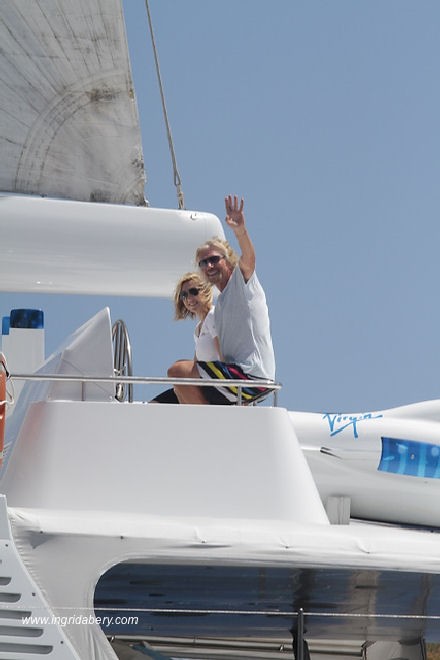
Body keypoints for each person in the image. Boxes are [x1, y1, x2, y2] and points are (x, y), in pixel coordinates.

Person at [169, 194, 275, 405]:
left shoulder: (241, 283)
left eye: (214, 259)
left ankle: (209, 431)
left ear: (227, 260)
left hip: (252, 376)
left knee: (178, 371)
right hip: (235, 376)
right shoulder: (222, 304)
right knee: (170, 393)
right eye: (203, 263)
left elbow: (249, 258)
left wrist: (240, 231)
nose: (209, 266)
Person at [151, 272, 221, 403]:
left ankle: (202, 415)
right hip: (205, 384)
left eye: (193, 292)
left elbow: (224, 355)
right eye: (184, 295)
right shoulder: (199, 329)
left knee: (176, 370)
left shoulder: (213, 315)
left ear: (206, 291)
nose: (189, 298)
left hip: (217, 387)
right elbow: (196, 364)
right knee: (155, 404)